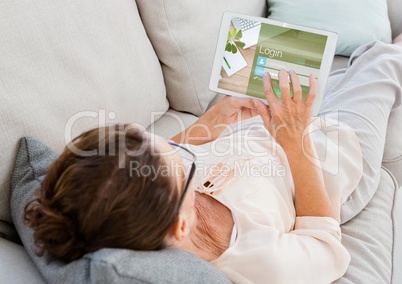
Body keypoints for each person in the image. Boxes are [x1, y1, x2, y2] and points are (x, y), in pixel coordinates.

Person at [24, 36, 402, 283]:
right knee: (382, 58)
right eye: (178, 157)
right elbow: (326, 247)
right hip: (335, 158)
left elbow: (162, 159)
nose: (177, 146)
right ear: (181, 226)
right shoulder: (251, 259)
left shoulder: (154, 200)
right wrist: (295, 141)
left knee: (352, 60)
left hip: (278, 128)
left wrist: (210, 123)